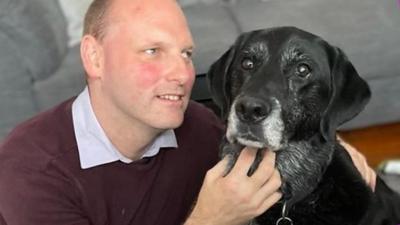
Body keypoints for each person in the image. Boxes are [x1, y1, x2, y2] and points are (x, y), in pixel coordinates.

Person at [0, 0, 394, 224]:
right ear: (94, 57)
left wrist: (331, 140)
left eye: (186, 53)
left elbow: (269, 111)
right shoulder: (30, 168)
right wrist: (210, 219)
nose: (180, 73)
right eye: (152, 51)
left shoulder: (201, 124)